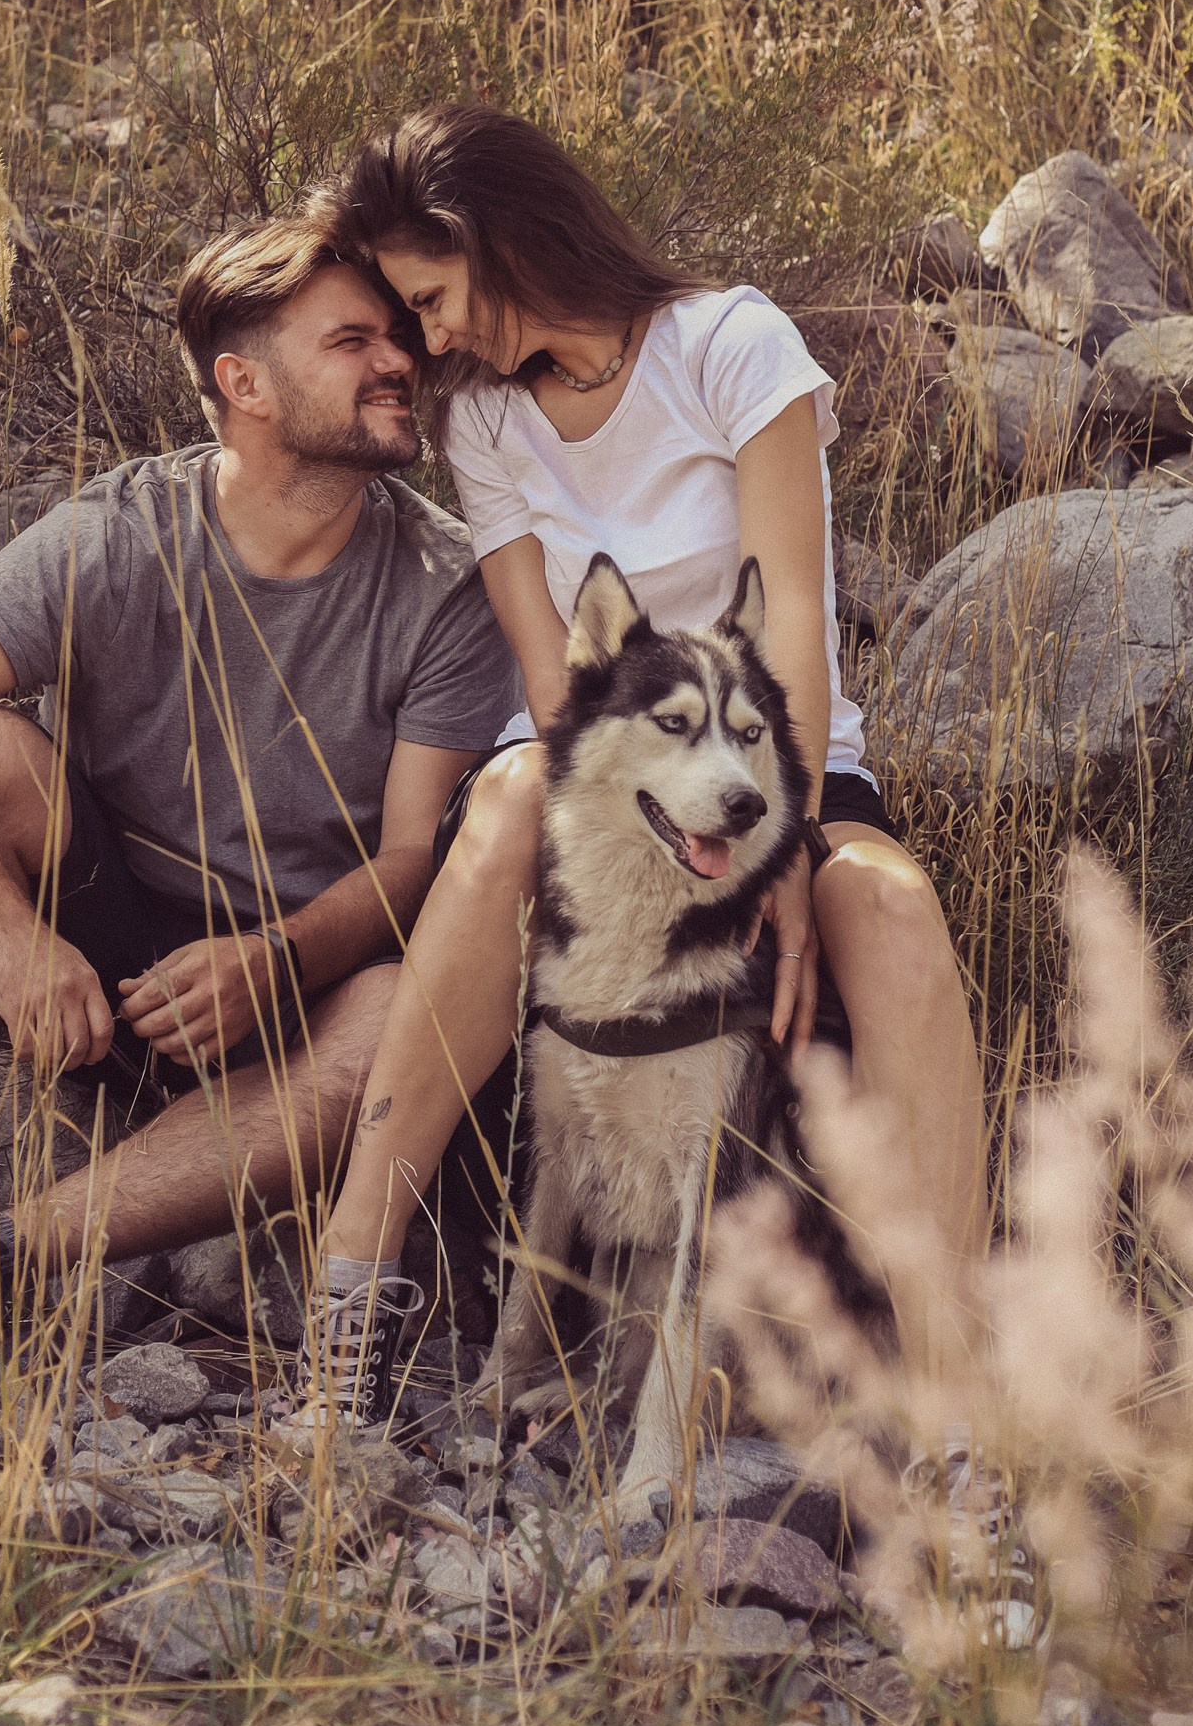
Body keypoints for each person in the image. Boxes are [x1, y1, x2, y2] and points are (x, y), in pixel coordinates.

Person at [286, 102, 988, 1441]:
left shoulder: (729, 346)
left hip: (775, 756)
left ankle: (957, 1403)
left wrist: (772, 849)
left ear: (491, 233)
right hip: (601, 775)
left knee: (886, 910)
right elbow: (550, 679)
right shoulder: (485, 424)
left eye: (430, 299)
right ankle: (348, 1311)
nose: (428, 341)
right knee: (500, 806)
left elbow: (790, 611)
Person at [0, 216, 522, 1379]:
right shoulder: (124, 532)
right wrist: (6, 941)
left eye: (399, 335)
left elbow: (413, 865)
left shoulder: (446, 586)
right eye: (354, 340)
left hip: (298, 994)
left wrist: (277, 959)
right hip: (106, 967)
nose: (401, 359)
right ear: (243, 383)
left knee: (410, 1001)